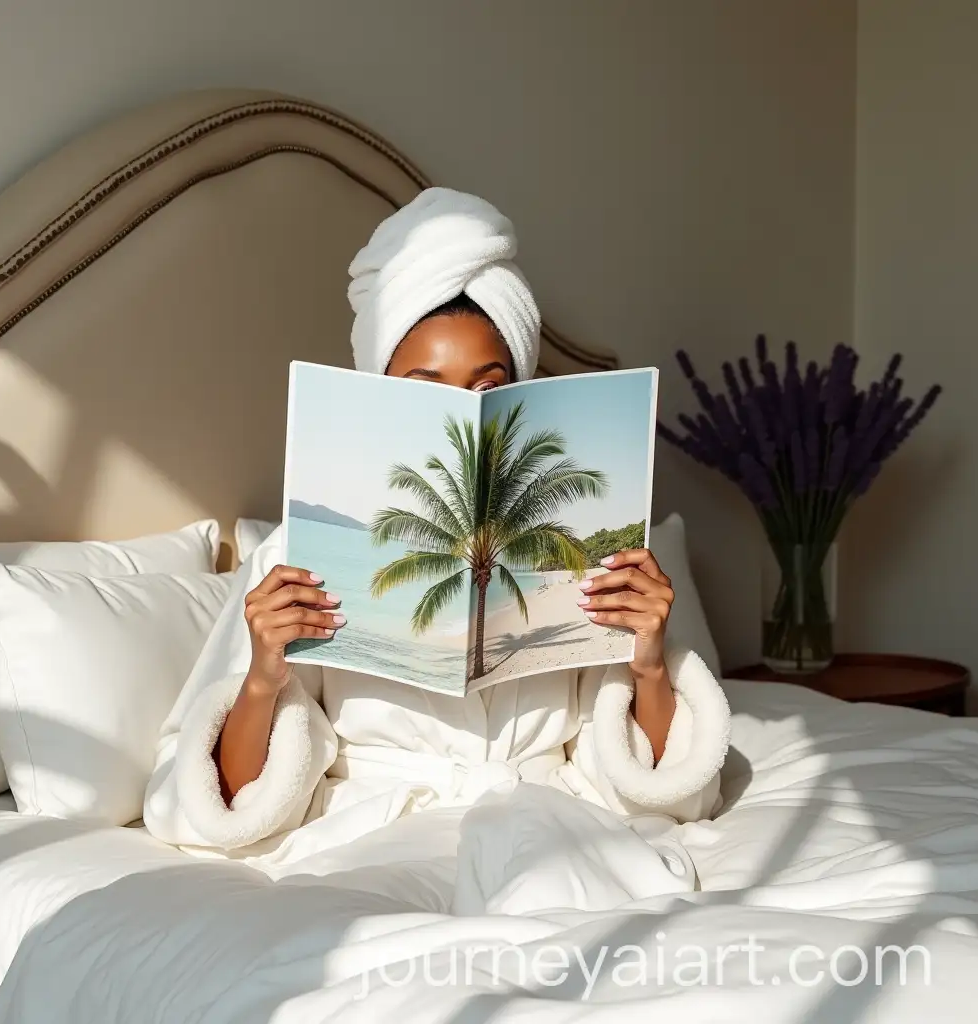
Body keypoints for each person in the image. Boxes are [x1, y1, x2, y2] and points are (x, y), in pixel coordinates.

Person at [143, 188, 730, 912]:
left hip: (547, 822)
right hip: (383, 837)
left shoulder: (574, 543)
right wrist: (263, 676)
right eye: (427, 392)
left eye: (488, 388)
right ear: (378, 395)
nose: (463, 418)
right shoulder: (299, 556)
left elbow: (665, 784)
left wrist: (646, 662)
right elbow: (218, 803)